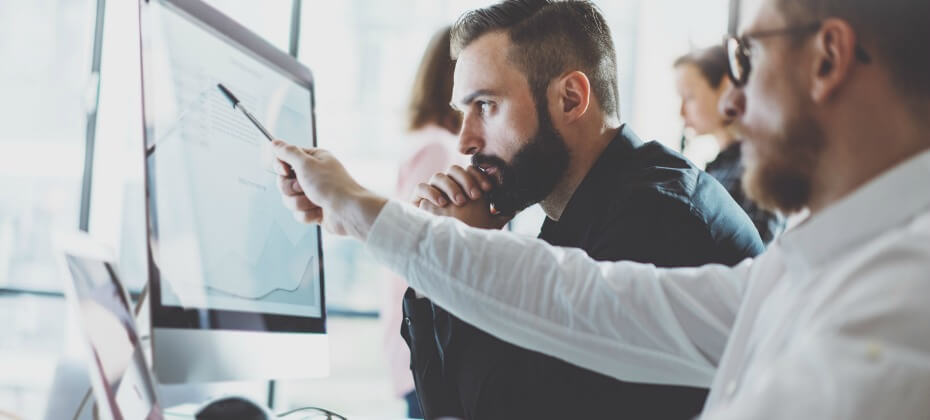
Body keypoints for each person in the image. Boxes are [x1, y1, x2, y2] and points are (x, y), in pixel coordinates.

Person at [270, 0, 930, 417]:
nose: (730, 104)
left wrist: (377, 217)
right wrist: (381, 223)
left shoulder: (899, 306)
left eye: (747, 58)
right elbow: (581, 300)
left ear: (830, 57)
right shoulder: (805, 268)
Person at [398, 1, 762, 418]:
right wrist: (435, 272)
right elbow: (445, 409)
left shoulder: (658, 221)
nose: (465, 141)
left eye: (486, 106)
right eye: (464, 112)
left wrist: (466, 257)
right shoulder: (573, 216)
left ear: (570, 99)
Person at [379, 25, 463, 419]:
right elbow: (421, 247)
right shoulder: (439, 148)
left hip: (420, 344)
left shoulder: (427, 142)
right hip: (432, 348)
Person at [674, 46, 786, 245]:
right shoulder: (720, 167)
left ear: (726, 87)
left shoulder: (755, 169)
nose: (682, 112)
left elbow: (754, 257)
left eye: (689, 97)